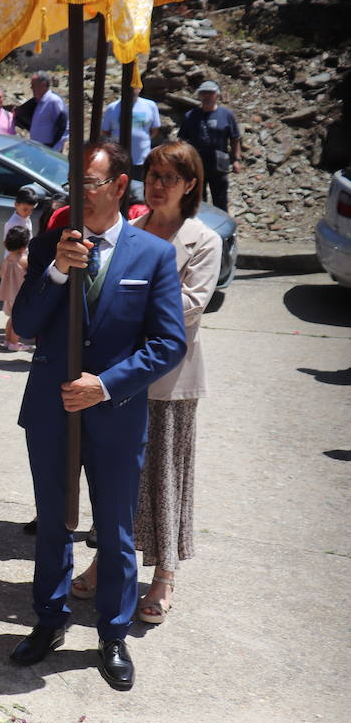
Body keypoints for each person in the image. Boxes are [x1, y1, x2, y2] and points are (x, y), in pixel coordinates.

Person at [8, 140, 187, 691]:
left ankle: (112, 634)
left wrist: (105, 385)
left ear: (117, 185)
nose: (78, 192)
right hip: (50, 410)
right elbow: (26, 321)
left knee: (114, 528)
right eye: (73, 181)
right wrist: (57, 272)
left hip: (115, 414)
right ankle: (50, 618)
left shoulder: (151, 255)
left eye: (89, 181)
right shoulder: (48, 246)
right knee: (53, 522)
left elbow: (168, 342)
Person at [70, 141, 220, 624]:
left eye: (169, 178)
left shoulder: (203, 240)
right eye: (152, 175)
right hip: (118, 379)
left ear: (190, 185)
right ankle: (109, 561)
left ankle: (164, 575)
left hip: (170, 381)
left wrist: (140, 295)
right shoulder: (128, 229)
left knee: (164, 478)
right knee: (117, 482)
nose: (157, 186)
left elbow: (189, 307)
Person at [177, 80, 242, 212]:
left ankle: (223, 229)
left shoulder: (226, 115)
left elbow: (235, 138)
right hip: (197, 163)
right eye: (203, 93)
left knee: (220, 199)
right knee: (198, 199)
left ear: (216, 95)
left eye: (210, 93)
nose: (206, 96)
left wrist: (236, 159)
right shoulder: (191, 116)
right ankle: (200, 227)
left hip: (220, 162)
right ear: (199, 96)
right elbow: (182, 140)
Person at [101, 87, 162, 199]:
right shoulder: (112, 108)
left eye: (135, 86)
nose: (132, 89)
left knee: (139, 191)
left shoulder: (150, 105)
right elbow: (105, 131)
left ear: (139, 88)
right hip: (119, 159)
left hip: (141, 159)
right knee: (118, 190)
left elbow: (154, 129)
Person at [15, 72, 69, 151]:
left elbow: (64, 127)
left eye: (33, 85)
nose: (31, 88)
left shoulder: (54, 101)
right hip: (38, 148)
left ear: (43, 85)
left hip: (49, 149)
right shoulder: (38, 102)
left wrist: (54, 150)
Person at [0, 225, 30, 351]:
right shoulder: (24, 260)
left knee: (11, 318)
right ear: (24, 245)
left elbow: (2, 275)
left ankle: (7, 340)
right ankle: (14, 343)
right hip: (20, 295)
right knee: (18, 321)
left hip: (9, 294)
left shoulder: (7, 259)